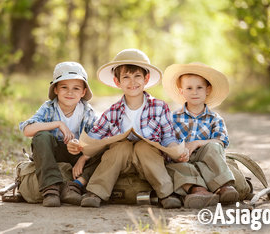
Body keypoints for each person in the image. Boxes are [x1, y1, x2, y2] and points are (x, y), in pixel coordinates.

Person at [68, 48, 188, 209]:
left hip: (148, 161)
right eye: (126, 77)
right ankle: (96, 192)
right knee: (121, 146)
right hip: (121, 163)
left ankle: (166, 193)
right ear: (118, 82)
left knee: (143, 146)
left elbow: (168, 137)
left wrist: (176, 150)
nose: (132, 82)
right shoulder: (112, 112)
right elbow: (94, 138)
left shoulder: (159, 107)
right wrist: (82, 153)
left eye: (137, 76)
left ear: (146, 78)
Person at [19, 61, 100, 207]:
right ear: (55, 89)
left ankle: (75, 186)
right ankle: (51, 189)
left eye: (76, 88)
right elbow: (27, 129)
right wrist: (58, 124)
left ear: (83, 92)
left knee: (105, 149)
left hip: (78, 155)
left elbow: (99, 137)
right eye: (64, 87)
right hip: (54, 153)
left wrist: (83, 155)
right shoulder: (49, 107)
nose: (70, 92)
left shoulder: (88, 112)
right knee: (41, 136)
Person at [162, 62, 239, 208]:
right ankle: (199, 191)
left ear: (207, 90)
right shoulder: (173, 118)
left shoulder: (214, 118)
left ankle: (223, 187)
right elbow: (167, 141)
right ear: (181, 91)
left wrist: (197, 143)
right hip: (184, 160)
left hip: (207, 161)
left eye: (199, 88)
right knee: (177, 167)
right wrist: (177, 153)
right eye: (189, 88)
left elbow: (221, 141)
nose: (194, 92)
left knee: (213, 146)